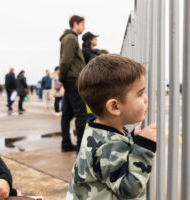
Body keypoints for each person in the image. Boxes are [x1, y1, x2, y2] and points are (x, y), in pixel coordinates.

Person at [66, 54, 157, 200]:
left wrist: (133, 138)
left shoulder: (98, 131)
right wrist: (144, 148)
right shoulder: (108, 145)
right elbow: (128, 189)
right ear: (114, 106)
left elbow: (113, 161)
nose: (146, 99)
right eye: (140, 94)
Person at [59, 15, 87, 153]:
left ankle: (66, 143)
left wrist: (62, 78)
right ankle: (80, 146)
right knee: (80, 113)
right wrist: (61, 77)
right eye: (82, 24)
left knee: (67, 113)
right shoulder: (71, 38)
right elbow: (65, 60)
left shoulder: (68, 38)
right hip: (73, 79)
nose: (84, 27)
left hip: (69, 79)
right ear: (75, 24)